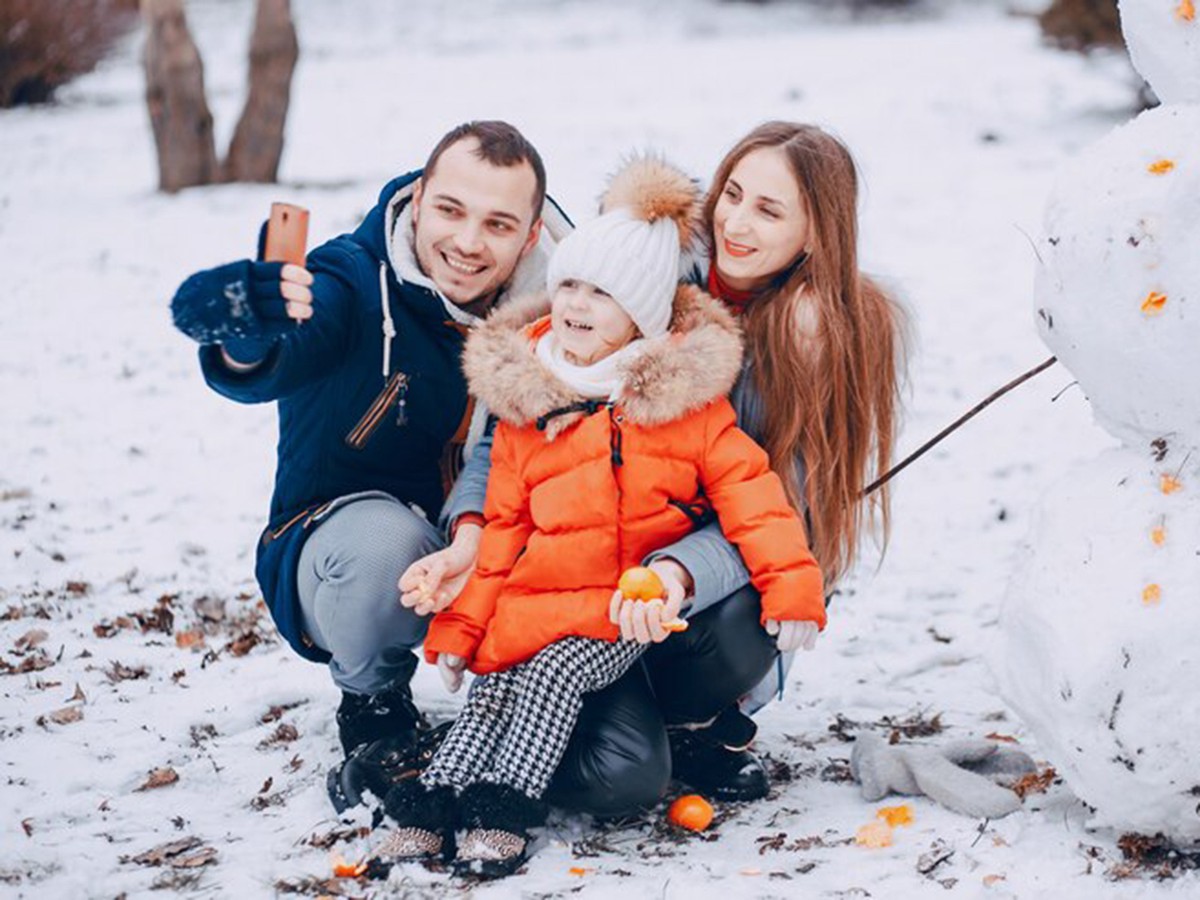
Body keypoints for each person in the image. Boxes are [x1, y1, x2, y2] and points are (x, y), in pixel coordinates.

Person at [409, 121, 905, 810]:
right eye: (732, 194)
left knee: (735, 632)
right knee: (619, 769)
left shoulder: (813, 333)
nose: (736, 223)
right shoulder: (639, 272)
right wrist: (470, 533)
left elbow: (778, 511)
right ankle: (526, 738)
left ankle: (684, 721)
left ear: (817, 233)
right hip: (574, 583)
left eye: (769, 211)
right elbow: (512, 432)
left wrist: (675, 573)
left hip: (679, 593)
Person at [168, 121, 571, 809]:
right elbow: (286, 346)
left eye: (498, 224)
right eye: (450, 211)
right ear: (417, 200)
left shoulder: (567, 310)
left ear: (531, 235)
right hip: (344, 556)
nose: (468, 242)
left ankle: (553, 702)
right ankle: (374, 701)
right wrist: (244, 335)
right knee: (389, 544)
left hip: (496, 542)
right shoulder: (351, 281)